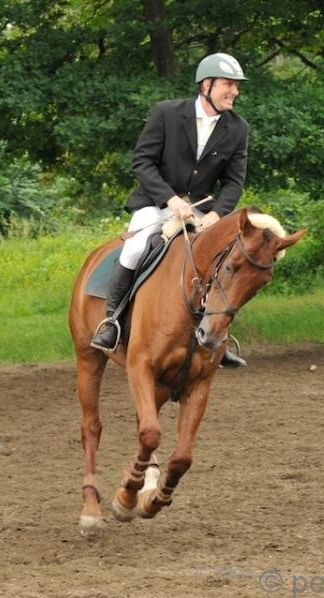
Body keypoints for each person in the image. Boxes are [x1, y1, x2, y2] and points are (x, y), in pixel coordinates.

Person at [91, 52, 249, 367]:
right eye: (228, 84)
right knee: (135, 248)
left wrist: (217, 214)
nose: (235, 91)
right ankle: (112, 321)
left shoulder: (238, 128)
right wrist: (170, 199)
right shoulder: (166, 113)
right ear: (206, 85)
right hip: (155, 204)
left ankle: (217, 339)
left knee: (226, 260)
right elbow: (142, 162)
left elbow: (234, 182)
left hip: (202, 211)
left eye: (236, 86)